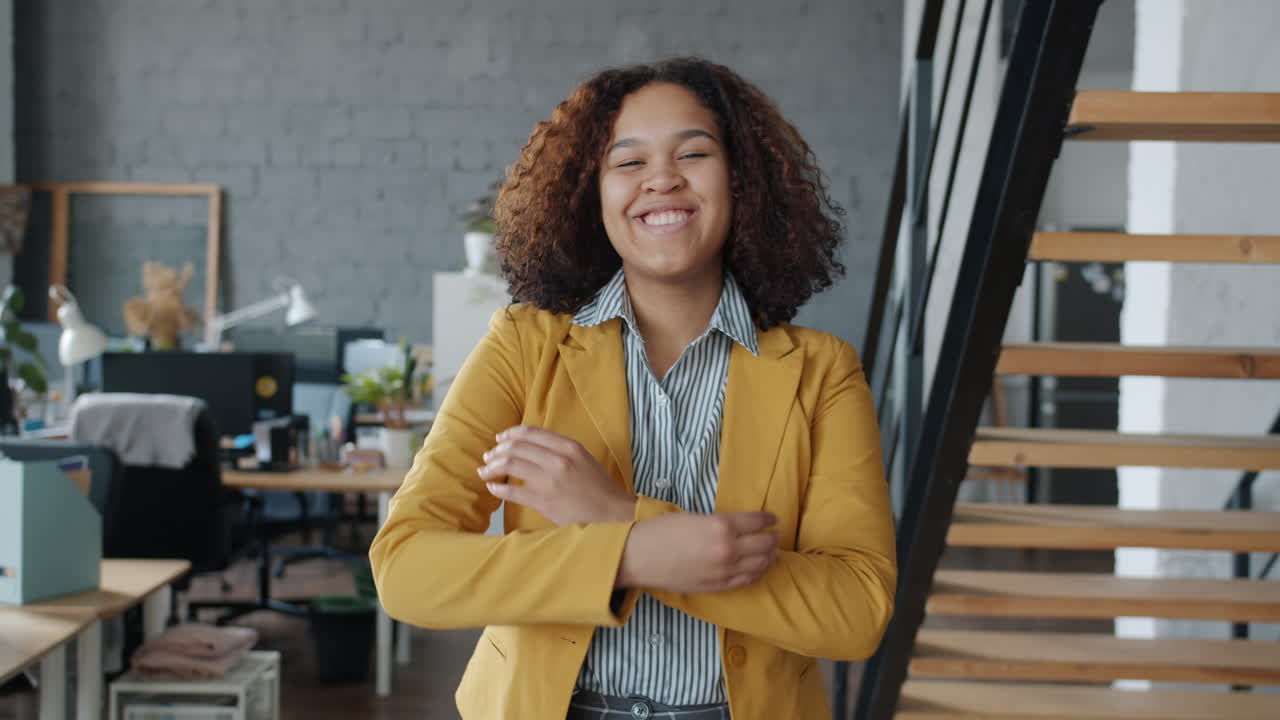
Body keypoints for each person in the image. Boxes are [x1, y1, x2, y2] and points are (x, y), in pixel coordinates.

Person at [369, 56, 896, 719]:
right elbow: (406, 569)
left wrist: (617, 517)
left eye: (694, 153)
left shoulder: (822, 372)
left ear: (741, 179)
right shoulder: (524, 347)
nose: (663, 180)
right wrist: (632, 554)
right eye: (629, 162)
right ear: (592, 193)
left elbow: (855, 611)